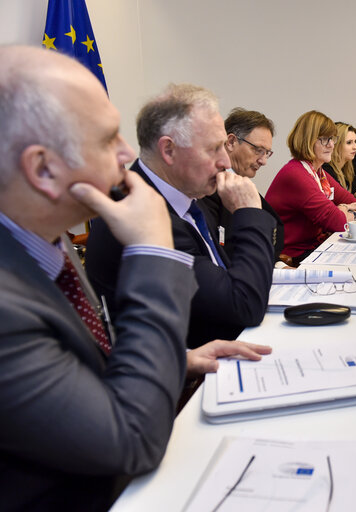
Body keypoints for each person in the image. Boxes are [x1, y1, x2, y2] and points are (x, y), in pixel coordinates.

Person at [0, 45, 271, 511]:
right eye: (107, 140)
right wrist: (152, 249)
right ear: (43, 169)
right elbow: (131, 440)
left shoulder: (44, 241)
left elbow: (74, 366)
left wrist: (176, 358)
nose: (127, 152)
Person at [87, 84, 276, 348]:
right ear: (169, 150)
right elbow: (243, 306)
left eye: (224, 147)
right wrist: (248, 214)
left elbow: (226, 278)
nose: (225, 161)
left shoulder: (185, 199)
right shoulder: (142, 214)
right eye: (213, 149)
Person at [265, 111, 356, 263]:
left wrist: (343, 210)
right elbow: (339, 223)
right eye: (324, 139)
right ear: (307, 141)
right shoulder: (296, 174)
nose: (331, 145)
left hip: (314, 246)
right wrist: (343, 209)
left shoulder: (318, 172)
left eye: (332, 139)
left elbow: (352, 201)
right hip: (293, 255)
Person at [200, 108, 286, 264]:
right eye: (258, 150)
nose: (263, 161)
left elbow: (277, 230)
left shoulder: (237, 180)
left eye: (267, 153)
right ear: (231, 142)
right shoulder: (208, 186)